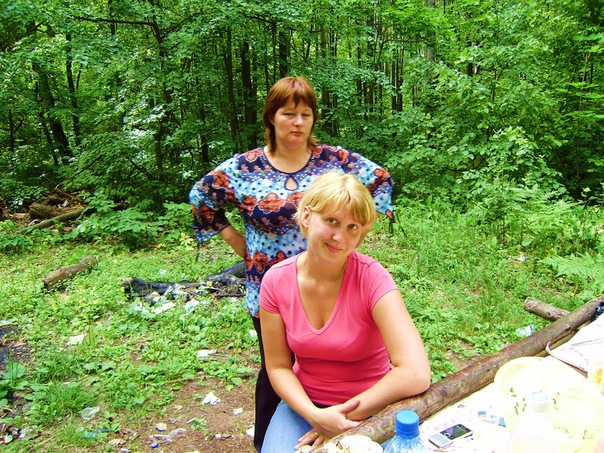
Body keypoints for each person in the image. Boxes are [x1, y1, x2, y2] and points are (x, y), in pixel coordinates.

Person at [189, 76, 394, 452]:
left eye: (306, 114)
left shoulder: (334, 162)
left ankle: (342, 425)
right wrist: (239, 245)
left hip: (334, 286)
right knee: (278, 371)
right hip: (271, 290)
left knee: (334, 364)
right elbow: (202, 197)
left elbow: (380, 181)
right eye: (288, 113)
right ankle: (272, 440)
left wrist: (357, 231)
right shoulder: (245, 168)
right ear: (271, 117)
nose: (298, 122)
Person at [259, 172, 431, 452]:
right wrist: (316, 416)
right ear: (306, 216)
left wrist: (343, 417)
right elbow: (278, 367)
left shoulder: (372, 278)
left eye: (353, 227)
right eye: (331, 221)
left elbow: (416, 372)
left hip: (373, 405)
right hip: (304, 406)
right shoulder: (276, 282)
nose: (340, 237)